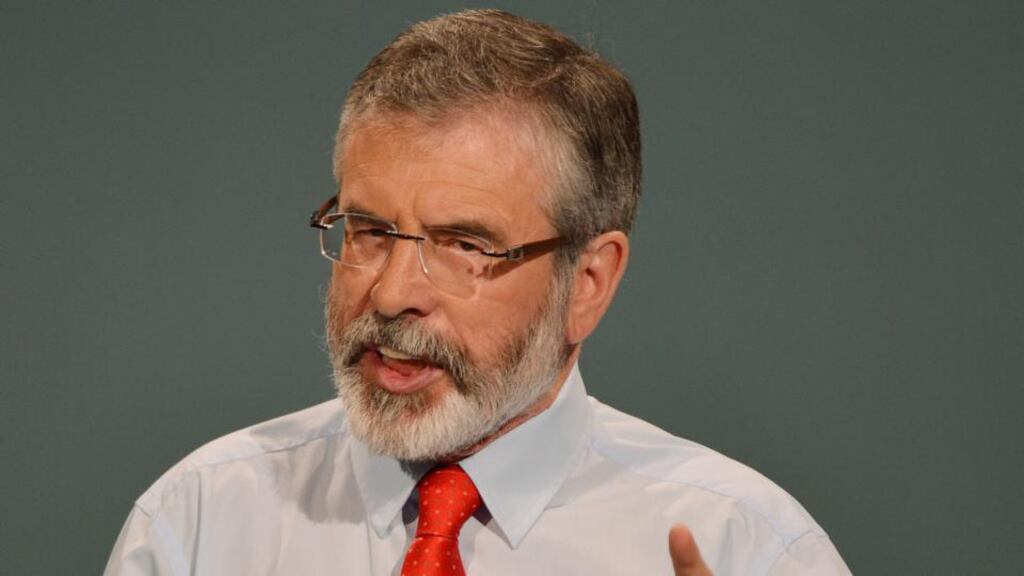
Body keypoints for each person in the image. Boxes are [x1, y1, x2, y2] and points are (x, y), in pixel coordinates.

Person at [104, 10, 850, 575]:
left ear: (588, 283)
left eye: (464, 246)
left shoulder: (753, 546)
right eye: (367, 229)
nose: (393, 292)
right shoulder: (196, 524)